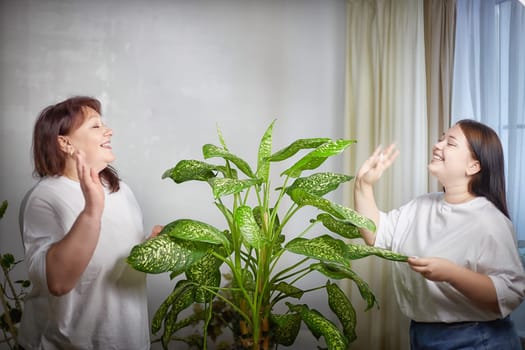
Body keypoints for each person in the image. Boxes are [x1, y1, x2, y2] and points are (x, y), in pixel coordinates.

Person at [354, 119, 525, 349]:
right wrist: (363, 186)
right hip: (423, 335)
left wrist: (451, 273)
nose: (438, 145)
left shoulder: (489, 220)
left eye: (450, 143)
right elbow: (375, 234)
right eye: (441, 138)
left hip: (477, 339)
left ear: (473, 167)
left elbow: (510, 293)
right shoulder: (421, 205)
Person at [18, 96, 161, 349]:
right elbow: (59, 282)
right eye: (95, 126)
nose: (109, 131)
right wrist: (92, 211)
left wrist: (151, 248)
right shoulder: (44, 198)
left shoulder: (122, 190)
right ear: (65, 143)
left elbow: (118, 264)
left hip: (129, 342)